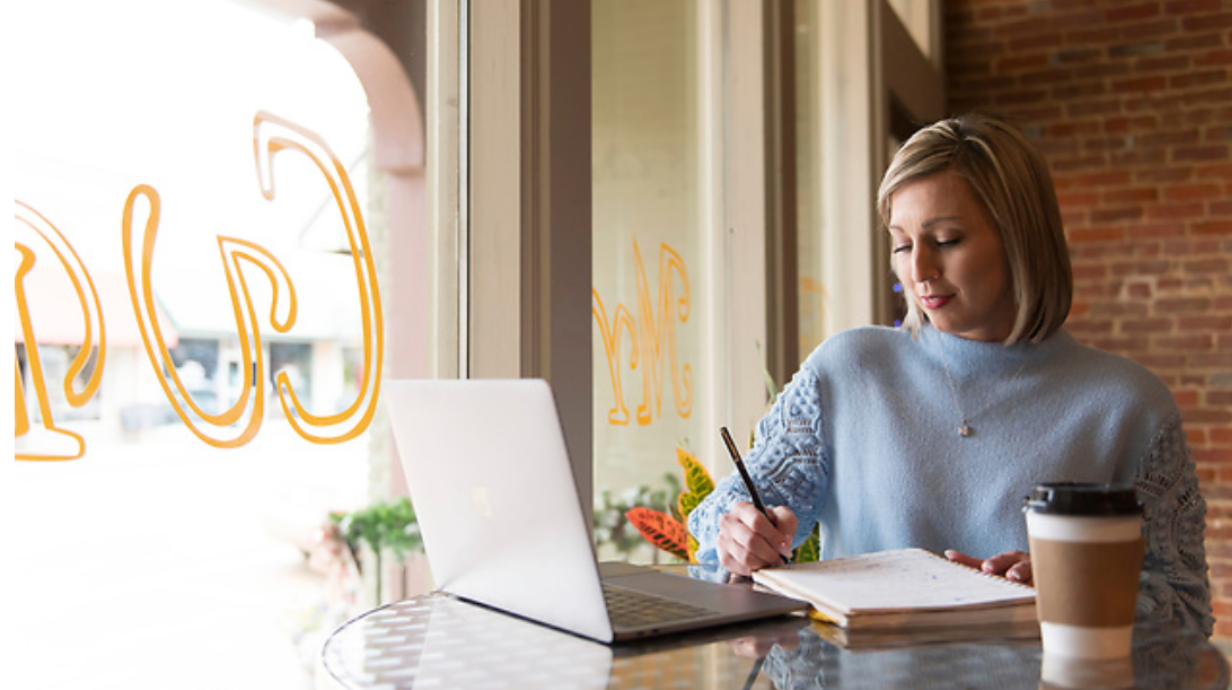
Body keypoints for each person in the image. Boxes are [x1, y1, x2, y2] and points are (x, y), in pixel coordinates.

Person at [687, 113, 1213, 636]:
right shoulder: (847, 370)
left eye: (946, 239)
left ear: (1019, 238)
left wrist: (1078, 592)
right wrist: (738, 535)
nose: (918, 270)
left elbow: (1184, 610)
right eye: (901, 243)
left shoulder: (1128, 406)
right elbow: (715, 523)